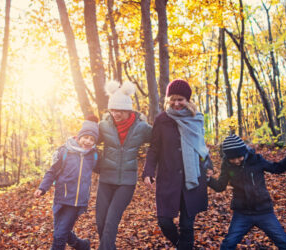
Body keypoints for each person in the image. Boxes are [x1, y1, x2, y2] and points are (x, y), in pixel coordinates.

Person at [143, 79, 211, 249]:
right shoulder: (162, 119)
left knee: (187, 226)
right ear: (168, 99)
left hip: (193, 177)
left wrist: (208, 165)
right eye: (173, 99)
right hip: (168, 177)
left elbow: (200, 147)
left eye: (180, 99)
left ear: (187, 100)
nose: (176, 103)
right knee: (164, 221)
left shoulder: (196, 118)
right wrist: (148, 171)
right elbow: (154, 148)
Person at [207, 134, 286, 250]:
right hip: (242, 213)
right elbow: (220, 186)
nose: (236, 161)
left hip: (264, 212)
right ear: (227, 158)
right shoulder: (227, 166)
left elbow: (277, 168)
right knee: (228, 244)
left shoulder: (257, 160)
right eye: (232, 158)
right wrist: (208, 179)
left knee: (284, 243)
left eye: (239, 157)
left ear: (244, 152)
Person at [96, 80, 152, 250]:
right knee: (100, 222)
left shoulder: (142, 128)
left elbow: (159, 141)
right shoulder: (103, 126)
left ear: (128, 110)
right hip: (106, 180)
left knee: (111, 223)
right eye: (112, 109)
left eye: (119, 110)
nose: (115, 113)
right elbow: (88, 140)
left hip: (126, 183)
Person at [34, 115, 99, 250]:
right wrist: (42, 187)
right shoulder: (65, 151)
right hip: (60, 199)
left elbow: (104, 169)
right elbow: (52, 171)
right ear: (79, 136)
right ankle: (82, 245)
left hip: (75, 202)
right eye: (86, 137)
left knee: (59, 235)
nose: (88, 141)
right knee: (61, 230)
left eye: (92, 139)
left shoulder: (93, 155)